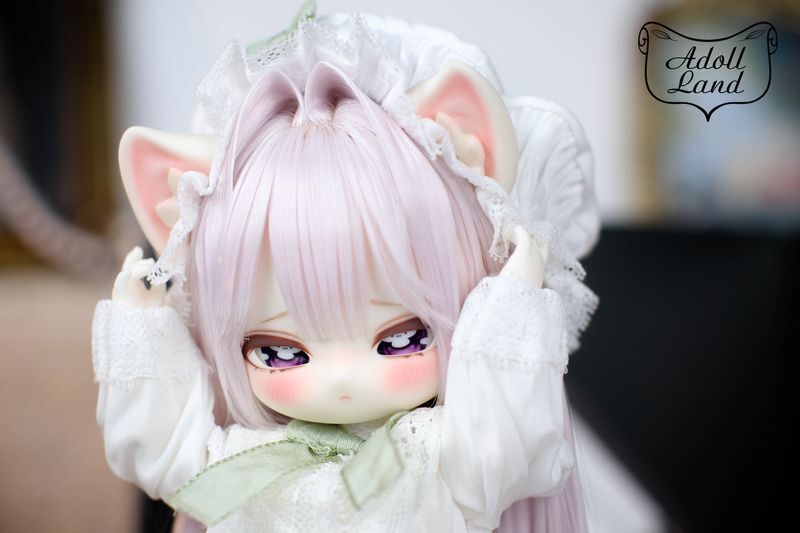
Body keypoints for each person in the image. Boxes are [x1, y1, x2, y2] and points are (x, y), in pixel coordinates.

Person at [92, 7, 599, 532]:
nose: (340, 379)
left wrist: (512, 301)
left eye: (403, 340)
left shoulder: (436, 460)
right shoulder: (241, 464)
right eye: (280, 352)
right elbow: (164, 456)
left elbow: (501, 450)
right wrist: (143, 329)